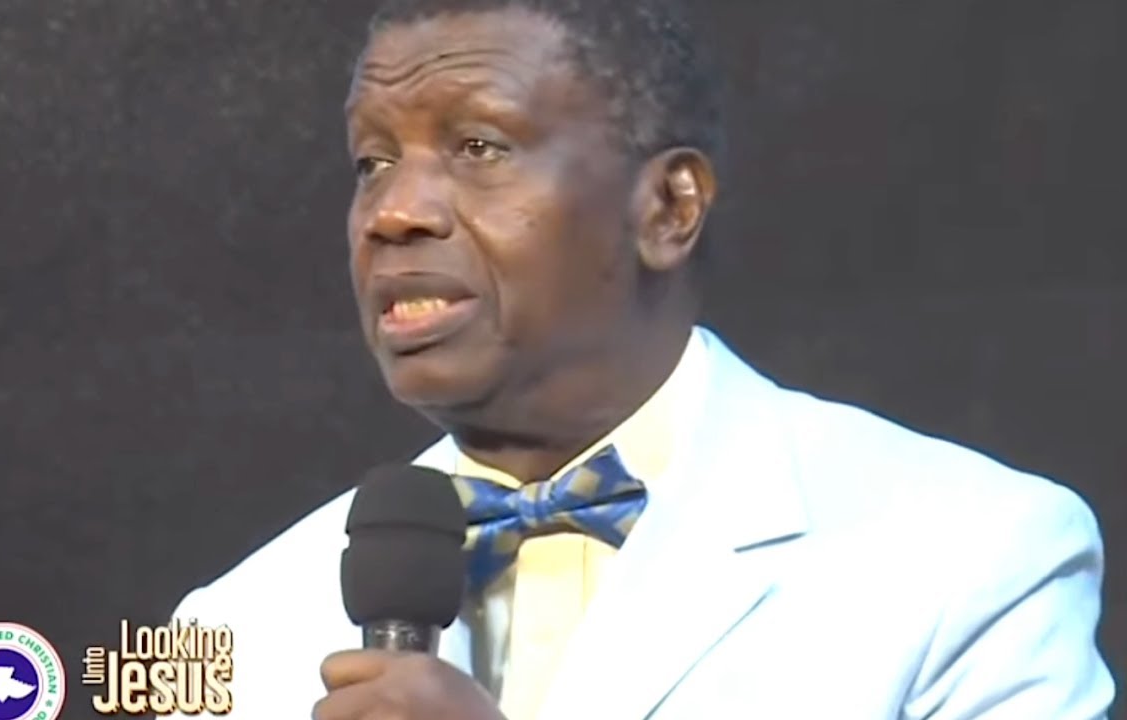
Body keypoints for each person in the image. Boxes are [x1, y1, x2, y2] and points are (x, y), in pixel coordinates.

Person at [165, 1, 1115, 717]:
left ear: (668, 208)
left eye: (479, 145)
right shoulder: (232, 627)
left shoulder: (974, 555)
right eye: (372, 162)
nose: (393, 212)